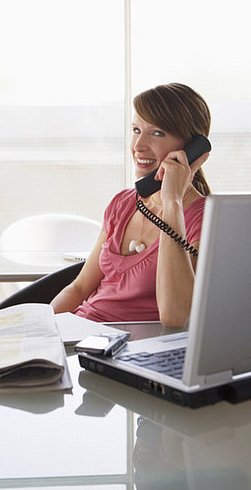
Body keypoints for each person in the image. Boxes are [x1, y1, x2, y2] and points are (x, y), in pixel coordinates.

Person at [51, 83, 211, 328]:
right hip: (81, 334)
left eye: (157, 133)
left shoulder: (206, 221)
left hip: (131, 351)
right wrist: (37, 330)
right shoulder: (124, 203)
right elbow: (80, 288)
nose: (138, 146)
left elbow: (176, 316)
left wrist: (172, 202)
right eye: (136, 130)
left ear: (193, 149)